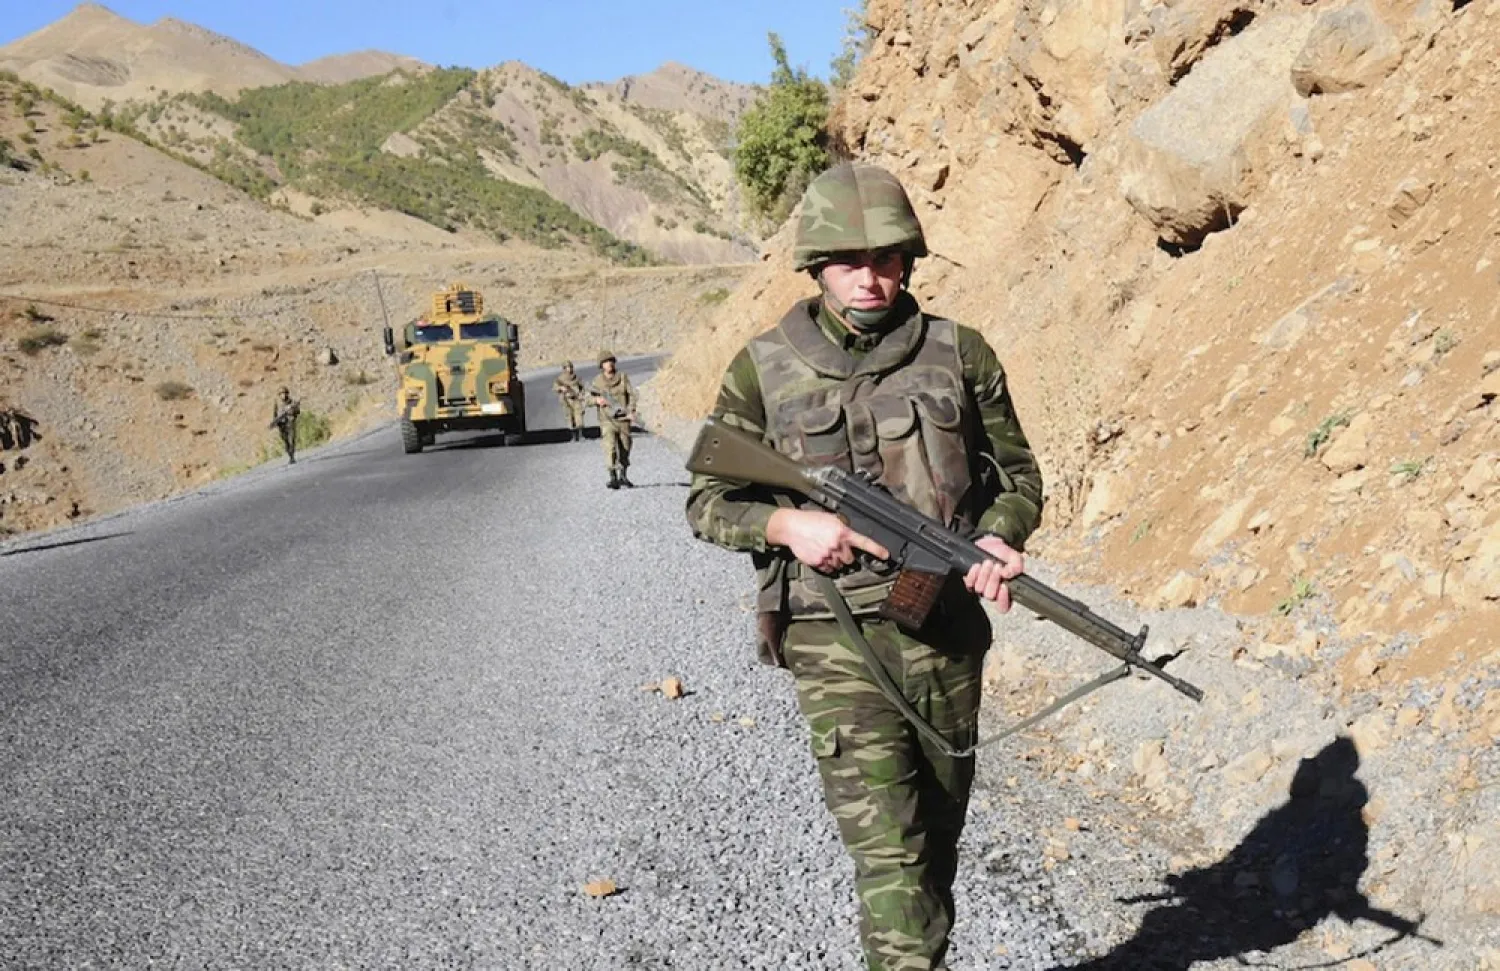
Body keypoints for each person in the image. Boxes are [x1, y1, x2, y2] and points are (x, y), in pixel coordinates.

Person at [685, 161, 1044, 971]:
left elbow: (1018, 476)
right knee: (892, 858)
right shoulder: (763, 365)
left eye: (885, 258)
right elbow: (708, 500)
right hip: (833, 638)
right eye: (848, 261)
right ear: (815, 266)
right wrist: (786, 522)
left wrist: (998, 533)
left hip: (946, 624)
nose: (869, 278)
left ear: (909, 258)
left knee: (937, 839)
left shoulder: (959, 351)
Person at [589, 350, 636, 489]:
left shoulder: (623, 378)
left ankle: (623, 476)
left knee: (625, 447)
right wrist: (597, 400)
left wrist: (631, 410)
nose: (609, 364)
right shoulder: (597, 382)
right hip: (607, 421)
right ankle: (612, 477)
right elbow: (586, 398)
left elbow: (632, 395)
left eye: (611, 361)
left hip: (623, 420)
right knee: (610, 448)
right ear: (601, 365)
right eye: (605, 362)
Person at [553, 361, 587, 441]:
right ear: (564, 369)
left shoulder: (576, 378)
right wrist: (561, 388)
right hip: (566, 401)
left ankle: (581, 435)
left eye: (571, 367)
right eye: (568, 367)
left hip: (576, 399)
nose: (570, 369)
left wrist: (582, 394)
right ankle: (573, 436)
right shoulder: (560, 379)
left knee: (579, 416)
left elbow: (582, 387)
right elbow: (555, 387)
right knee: (569, 418)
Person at [269, 386, 301, 464]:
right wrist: (275, 422)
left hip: (290, 423)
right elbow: (275, 414)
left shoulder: (292, 402)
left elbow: (297, 412)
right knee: (286, 441)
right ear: (279, 395)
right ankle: (289, 453)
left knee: (291, 440)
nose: (283, 395)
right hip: (282, 425)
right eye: (281, 394)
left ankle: (292, 457)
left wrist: (292, 411)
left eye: (285, 393)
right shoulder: (277, 404)